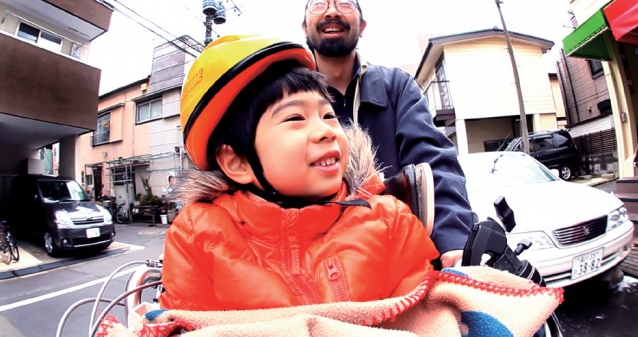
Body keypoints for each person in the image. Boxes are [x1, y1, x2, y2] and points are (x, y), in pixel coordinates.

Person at [158, 34, 439, 311]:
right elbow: (188, 323)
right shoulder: (197, 235)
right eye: (295, 118)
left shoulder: (389, 220)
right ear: (238, 162)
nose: (325, 131)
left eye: (328, 115)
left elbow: (424, 317)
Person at [302, 0, 476, 268]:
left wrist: (454, 242)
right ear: (304, 26)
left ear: (363, 25)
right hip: (318, 267)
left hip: (402, 262)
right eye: (319, 5)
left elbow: (433, 163)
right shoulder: (288, 98)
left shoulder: (396, 86)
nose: (332, 11)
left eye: (345, 4)